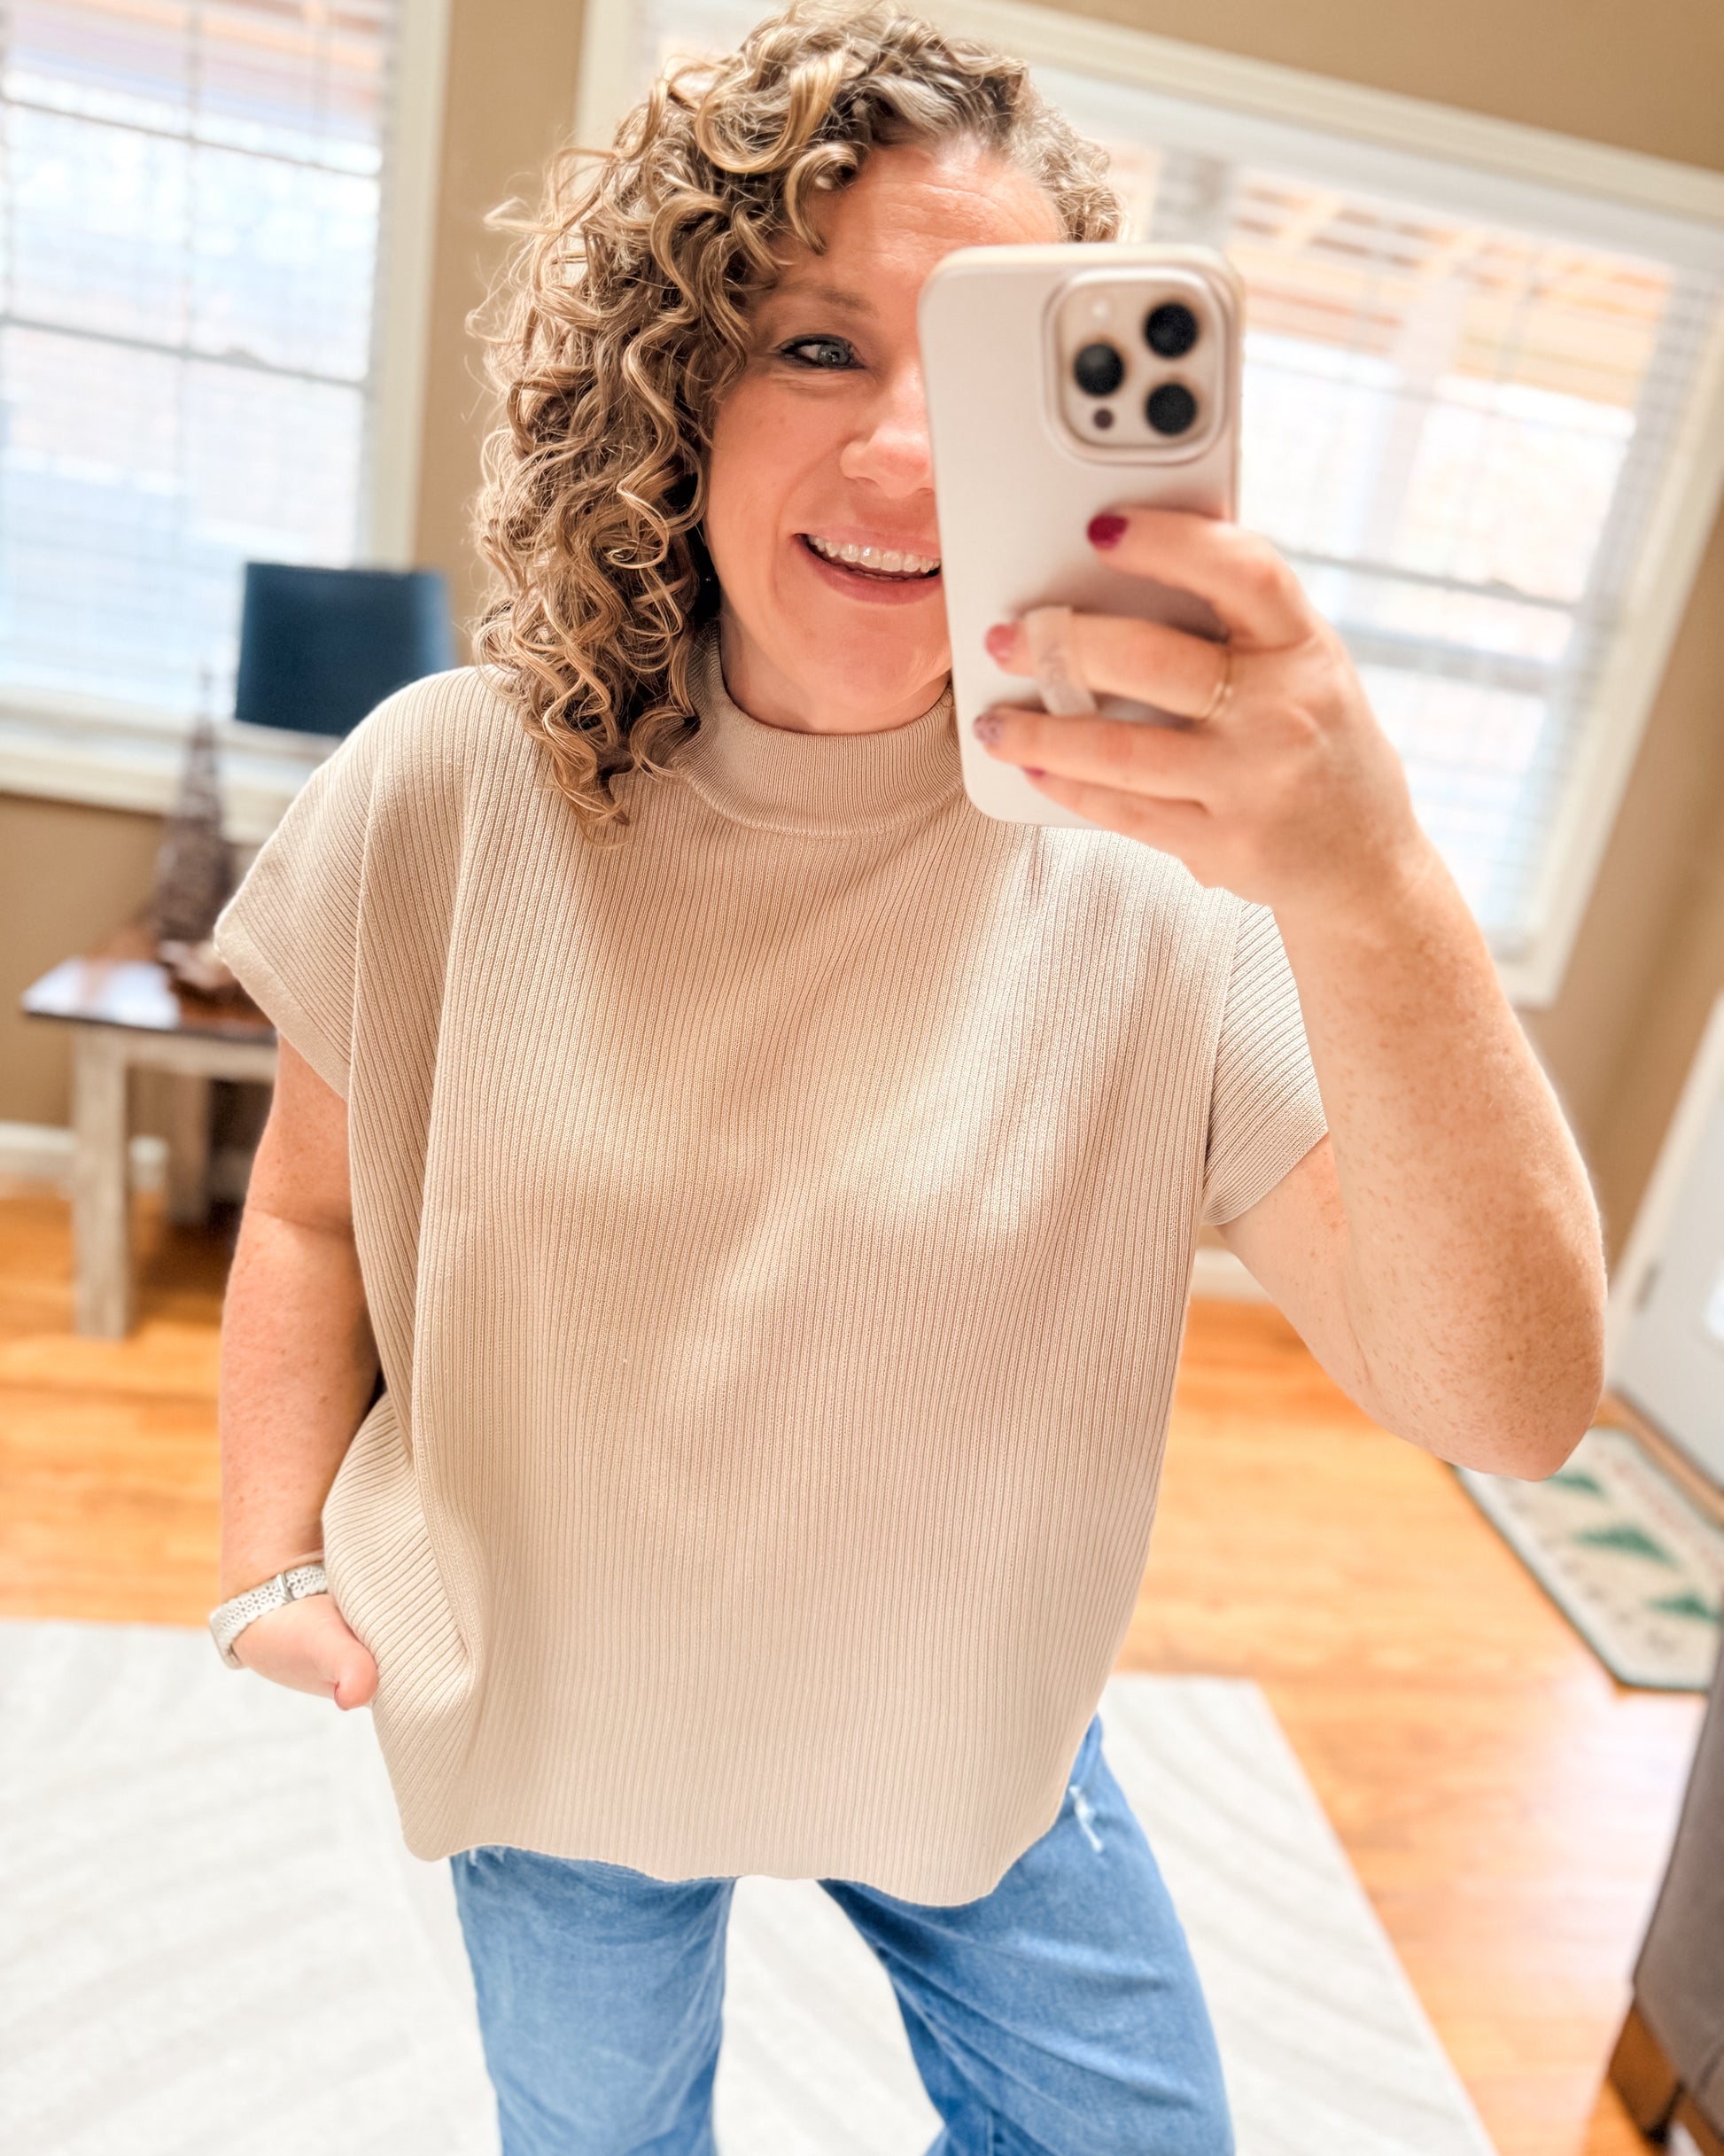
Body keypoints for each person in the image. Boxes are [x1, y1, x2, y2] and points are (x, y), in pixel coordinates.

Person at [207, 5, 1606, 2152]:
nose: (911, 457)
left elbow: (1504, 1400)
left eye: (984, 373)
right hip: (564, 1725)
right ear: (672, 383)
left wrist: (1378, 882)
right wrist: (271, 1555)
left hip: (965, 1731)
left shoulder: (1174, 885)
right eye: (816, 346)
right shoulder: (446, 793)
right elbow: (305, 1210)